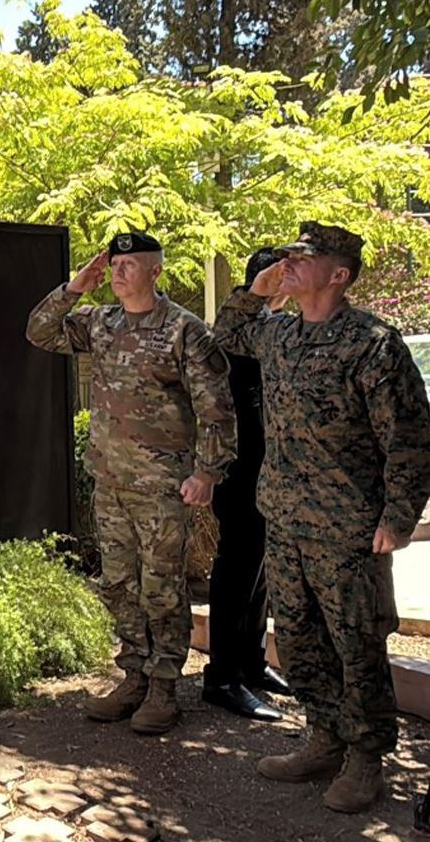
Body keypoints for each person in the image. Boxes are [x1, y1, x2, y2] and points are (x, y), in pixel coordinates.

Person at [215, 222, 430, 814]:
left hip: (348, 531)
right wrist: (255, 291)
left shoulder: (372, 344)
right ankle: (324, 738)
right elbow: (227, 334)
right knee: (300, 639)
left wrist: (398, 519)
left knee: (356, 646)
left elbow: (410, 439)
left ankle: (366, 759)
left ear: (339, 274)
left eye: (303, 258)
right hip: (285, 521)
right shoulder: (280, 334)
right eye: (288, 254)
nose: (289, 263)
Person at [27, 231, 236, 735]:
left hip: (163, 486)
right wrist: (75, 287)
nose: (118, 272)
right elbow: (39, 331)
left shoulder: (184, 331)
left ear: (155, 271)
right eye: (114, 265)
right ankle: (134, 676)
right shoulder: (102, 322)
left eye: (130, 265)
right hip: (111, 481)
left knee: (162, 586)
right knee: (119, 584)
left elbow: (216, 408)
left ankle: (164, 687)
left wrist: (207, 472)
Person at [202, 248, 292, 722]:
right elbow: (224, 340)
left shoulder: (279, 330)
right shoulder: (237, 332)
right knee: (236, 570)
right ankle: (222, 677)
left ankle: (252, 664)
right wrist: (255, 295)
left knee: (260, 573)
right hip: (238, 470)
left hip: (272, 473)